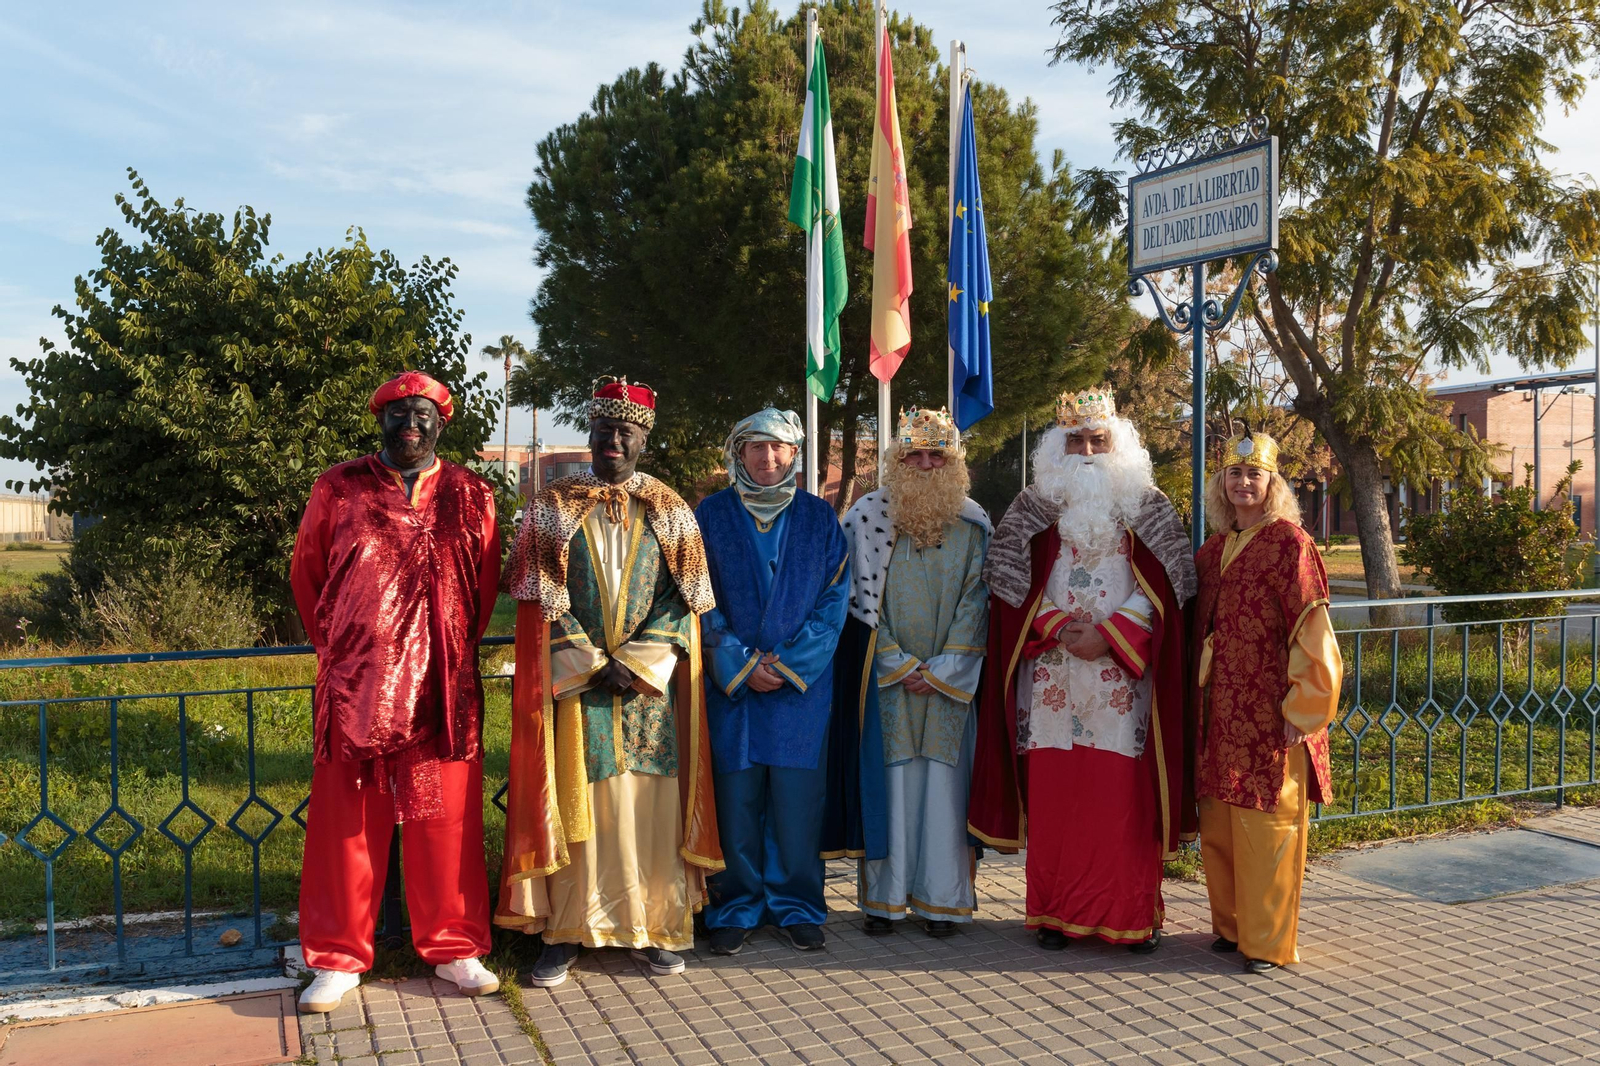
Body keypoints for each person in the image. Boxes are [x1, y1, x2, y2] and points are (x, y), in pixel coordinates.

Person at [495, 377, 722, 988]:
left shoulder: (672, 509)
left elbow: (688, 599)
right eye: (604, 431)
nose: (614, 441)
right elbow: (537, 592)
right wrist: (592, 660)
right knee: (576, 801)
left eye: (627, 432)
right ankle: (566, 931)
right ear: (590, 435)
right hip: (577, 683)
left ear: (644, 440)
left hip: (648, 689)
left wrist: (640, 661)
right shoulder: (551, 504)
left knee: (646, 809)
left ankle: (651, 927)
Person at [291, 371, 501, 1014]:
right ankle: (336, 956)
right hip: (361, 683)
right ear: (379, 420)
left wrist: (452, 649)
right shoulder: (338, 486)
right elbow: (308, 573)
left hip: (444, 683)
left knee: (448, 820)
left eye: (423, 414)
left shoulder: (472, 492)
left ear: (443, 422)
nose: (411, 424)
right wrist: (345, 651)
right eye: (398, 414)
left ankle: (454, 945)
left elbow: (484, 585)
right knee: (347, 825)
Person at [970, 388, 1197, 953]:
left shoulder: (1150, 507)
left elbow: (1170, 591)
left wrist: (1110, 634)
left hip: (1122, 681)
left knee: (1121, 803)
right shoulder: (1030, 508)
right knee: (1058, 804)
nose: (1089, 451)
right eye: (1077, 439)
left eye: (1099, 439)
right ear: (1058, 446)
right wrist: (1054, 626)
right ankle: (1053, 913)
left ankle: (1130, 915)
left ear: (1118, 444)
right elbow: (1009, 590)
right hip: (1050, 681)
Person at [695, 408, 850, 955]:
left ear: (794, 455)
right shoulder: (708, 516)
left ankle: (797, 905)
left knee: (796, 802)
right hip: (730, 686)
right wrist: (737, 663)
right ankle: (734, 906)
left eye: (779, 448)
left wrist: (785, 665)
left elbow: (835, 603)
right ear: (739, 454)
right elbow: (697, 598)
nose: (768, 458)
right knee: (735, 799)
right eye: (756, 448)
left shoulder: (819, 518)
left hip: (798, 691)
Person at [1193, 430, 1342, 974]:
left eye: (1255, 474)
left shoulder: (1290, 544)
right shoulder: (1210, 552)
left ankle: (1268, 942)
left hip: (1273, 712)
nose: (1243, 483)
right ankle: (1232, 929)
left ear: (1272, 483)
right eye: (1234, 474)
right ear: (1221, 483)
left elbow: (1312, 630)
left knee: (1269, 828)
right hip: (1221, 712)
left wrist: (1305, 710)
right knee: (1222, 823)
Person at [839, 407, 989, 937]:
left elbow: (978, 599)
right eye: (914, 454)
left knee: (944, 791)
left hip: (950, 685)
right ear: (896, 460)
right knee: (893, 788)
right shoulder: (864, 519)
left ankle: (940, 902)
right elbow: (855, 604)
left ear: (953, 462)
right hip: (887, 680)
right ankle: (884, 902)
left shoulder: (974, 523)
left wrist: (946, 668)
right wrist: (897, 663)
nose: (926, 464)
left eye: (936, 454)